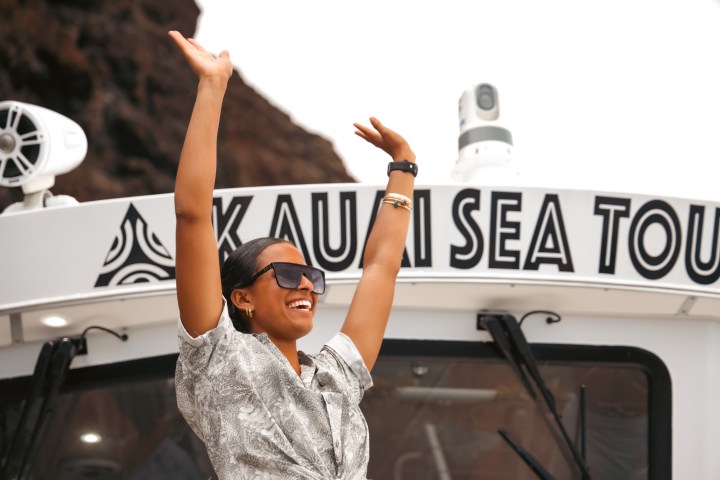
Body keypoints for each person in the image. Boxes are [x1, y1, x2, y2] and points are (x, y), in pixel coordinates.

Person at [168, 31, 417, 479]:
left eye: (311, 276)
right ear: (241, 298)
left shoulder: (335, 378)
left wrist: (403, 168)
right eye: (286, 273)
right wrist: (212, 87)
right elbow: (192, 216)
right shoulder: (219, 356)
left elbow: (381, 269)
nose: (305, 284)